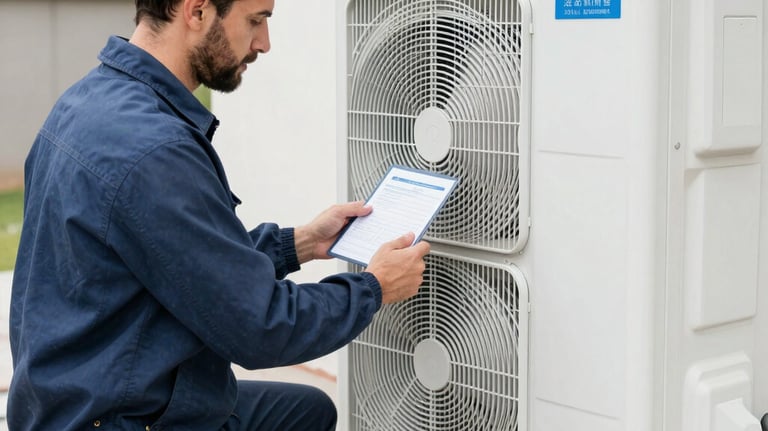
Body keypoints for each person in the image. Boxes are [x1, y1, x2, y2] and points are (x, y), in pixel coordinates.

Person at [7, 0, 430, 429]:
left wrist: (298, 243)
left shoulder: (84, 102)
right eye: (256, 20)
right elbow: (261, 328)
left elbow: (182, 256)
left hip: (68, 398)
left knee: (308, 408)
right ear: (196, 12)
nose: (264, 43)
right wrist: (374, 287)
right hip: (119, 415)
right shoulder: (156, 150)